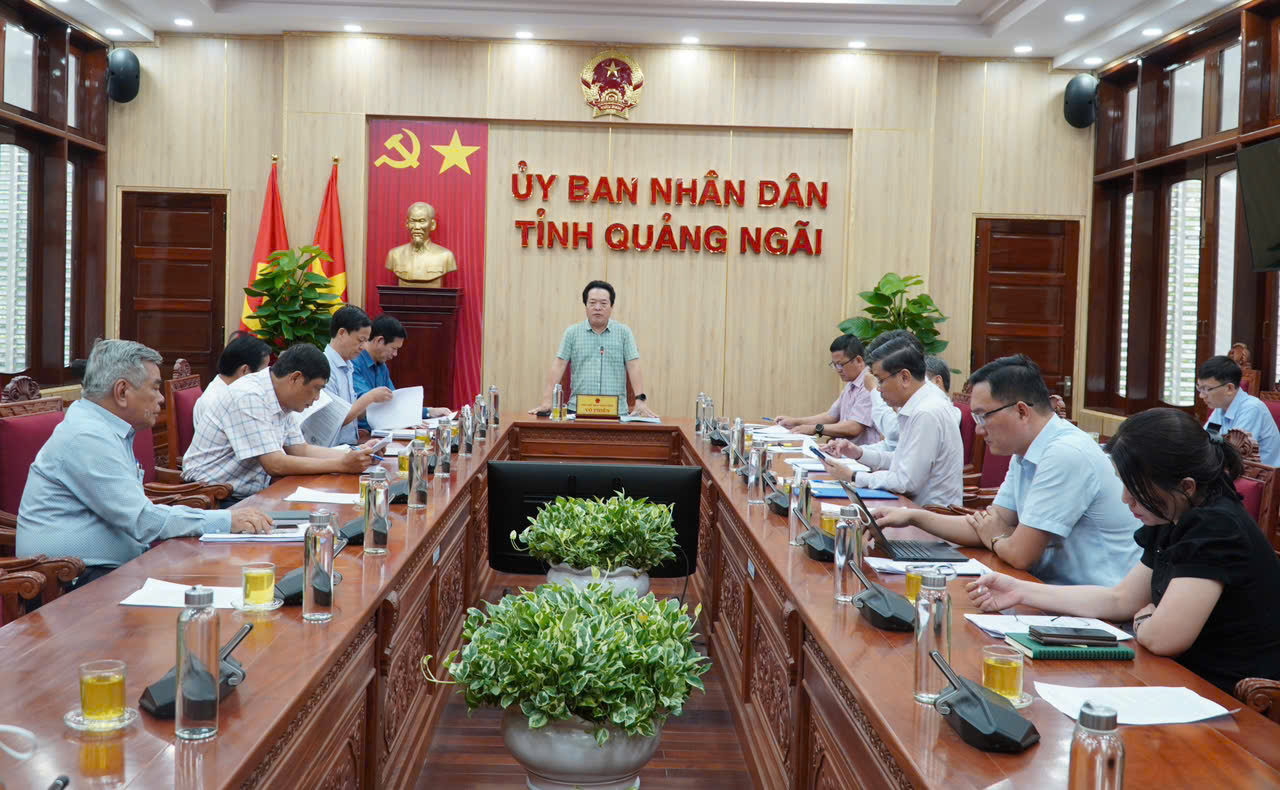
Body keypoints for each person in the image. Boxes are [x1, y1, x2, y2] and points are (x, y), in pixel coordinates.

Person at [968, 408, 1280, 694]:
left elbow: (1163, 638)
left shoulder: (1216, 525)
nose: (1125, 499)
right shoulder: (1173, 512)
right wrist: (1019, 591)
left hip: (1230, 697)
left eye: (1135, 488)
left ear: (1186, 486)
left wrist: (1144, 622)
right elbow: (1122, 599)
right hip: (1176, 678)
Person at [17, 340, 273, 588]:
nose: (161, 398)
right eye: (154, 388)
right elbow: (142, 520)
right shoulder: (86, 437)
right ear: (122, 392)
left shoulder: (105, 428)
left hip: (109, 569)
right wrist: (226, 521)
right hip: (68, 582)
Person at [873, 354, 1142, 586]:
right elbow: (986, 525)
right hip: (1046, 590)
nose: (978, 429)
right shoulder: (1025, 451)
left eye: (983, 416)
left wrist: (997, 536)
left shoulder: (1065, 453)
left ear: (1022, 411)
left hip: (1094, 606)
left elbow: (1020, 554)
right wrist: (912, 516)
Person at [182, 344, 378, 502]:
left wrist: (355, 454)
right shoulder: (249, 395)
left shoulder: (281, 397)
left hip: (249, 492)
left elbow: (300, 450)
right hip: (212, 495)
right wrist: (341, 464)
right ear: (295, 378)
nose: (317, 398)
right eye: (316, 388)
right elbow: (275, 464)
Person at [820, 337, 963, 506]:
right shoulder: (920, 403)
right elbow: (902, 461)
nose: (877, 388)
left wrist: (853, 476)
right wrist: (858, 453)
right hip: (909, 507)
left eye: (880, 380)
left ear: (905, 377)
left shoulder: (926, 412)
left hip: (928, 514)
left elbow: (905, 482)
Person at [530, 280, 656, 418]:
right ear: (585, 305)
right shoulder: (572, 333)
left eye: (603, 303)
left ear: (611, 306)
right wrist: (547, 401)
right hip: (577, 411)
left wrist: (640, 401)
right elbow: (559, 365)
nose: (597, 307)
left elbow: (634, 366)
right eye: (592, 303)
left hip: (616, 412)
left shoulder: (624, 333)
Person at [352, 314, 452, 431]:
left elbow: (394, 402)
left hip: (383, 430)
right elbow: (366, 404)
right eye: (394, 348)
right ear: (380, 340)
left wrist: (429, 411)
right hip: (363, 432)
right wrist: (406, 420)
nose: (395, 354)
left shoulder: (381, 366)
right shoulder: (354, 363)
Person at [773, 335, 881, 443]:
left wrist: (816, 429)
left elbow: (854, 427)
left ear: (858, 360)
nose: (838, 370)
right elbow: (830, 416)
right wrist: (795, 422)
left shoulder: (869, 384)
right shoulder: (852, 382)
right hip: (842, 450)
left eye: (840, 364)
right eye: (835, 365)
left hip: (861, 452)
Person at [323, 305, 392, 446]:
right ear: (342, 333)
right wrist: (370, 397)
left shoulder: (348, 366)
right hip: (332, 450)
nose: (363, 346)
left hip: (350, 446)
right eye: (360, 340)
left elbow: (354, 415)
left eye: (366, 341)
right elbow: (335, 420)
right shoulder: (324, 366)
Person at [1196, 355, 1280, 465]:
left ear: (1229, 388)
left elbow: (1233, 456)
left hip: (1261, 474)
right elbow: (1208, 442)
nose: (1201, 395)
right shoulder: (1220, 408)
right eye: (1199, 388)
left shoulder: (1252, 409)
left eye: (1206, 389)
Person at [193, 331, 272, 428]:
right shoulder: (217, 402)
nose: (266, 376)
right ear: (245, 370)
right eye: (263, 371)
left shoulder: (235, 393)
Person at [385, 202, 457, 287]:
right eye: (412, 221)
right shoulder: (394, 255)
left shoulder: (446, 256)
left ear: (432, 225)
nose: (416, 227)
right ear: (407, 224)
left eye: (422, 221)